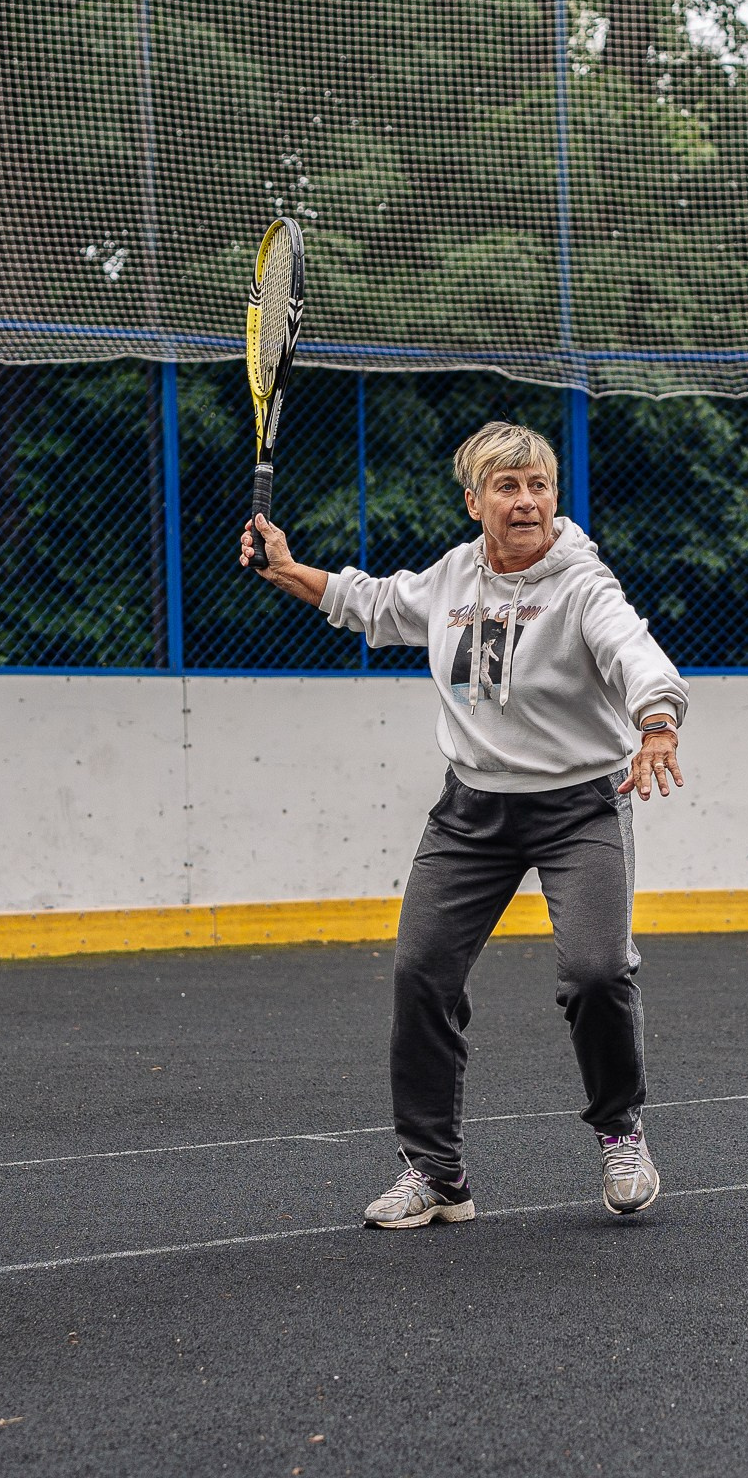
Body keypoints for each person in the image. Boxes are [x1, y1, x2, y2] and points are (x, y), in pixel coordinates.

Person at [239, 420, 687, 1227]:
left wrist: (658, 720)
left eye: (539, 485)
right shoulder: (454, 576)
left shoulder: (582, 583)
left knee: (595, 973)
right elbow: (371, 602)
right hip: (471, 811)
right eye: (508, 487)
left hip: (578, 804)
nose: (526, 502)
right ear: (475, 499)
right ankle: (435, 1173)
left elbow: (634, 652)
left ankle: (620, 1130)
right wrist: (287, 568)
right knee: (421, 976)